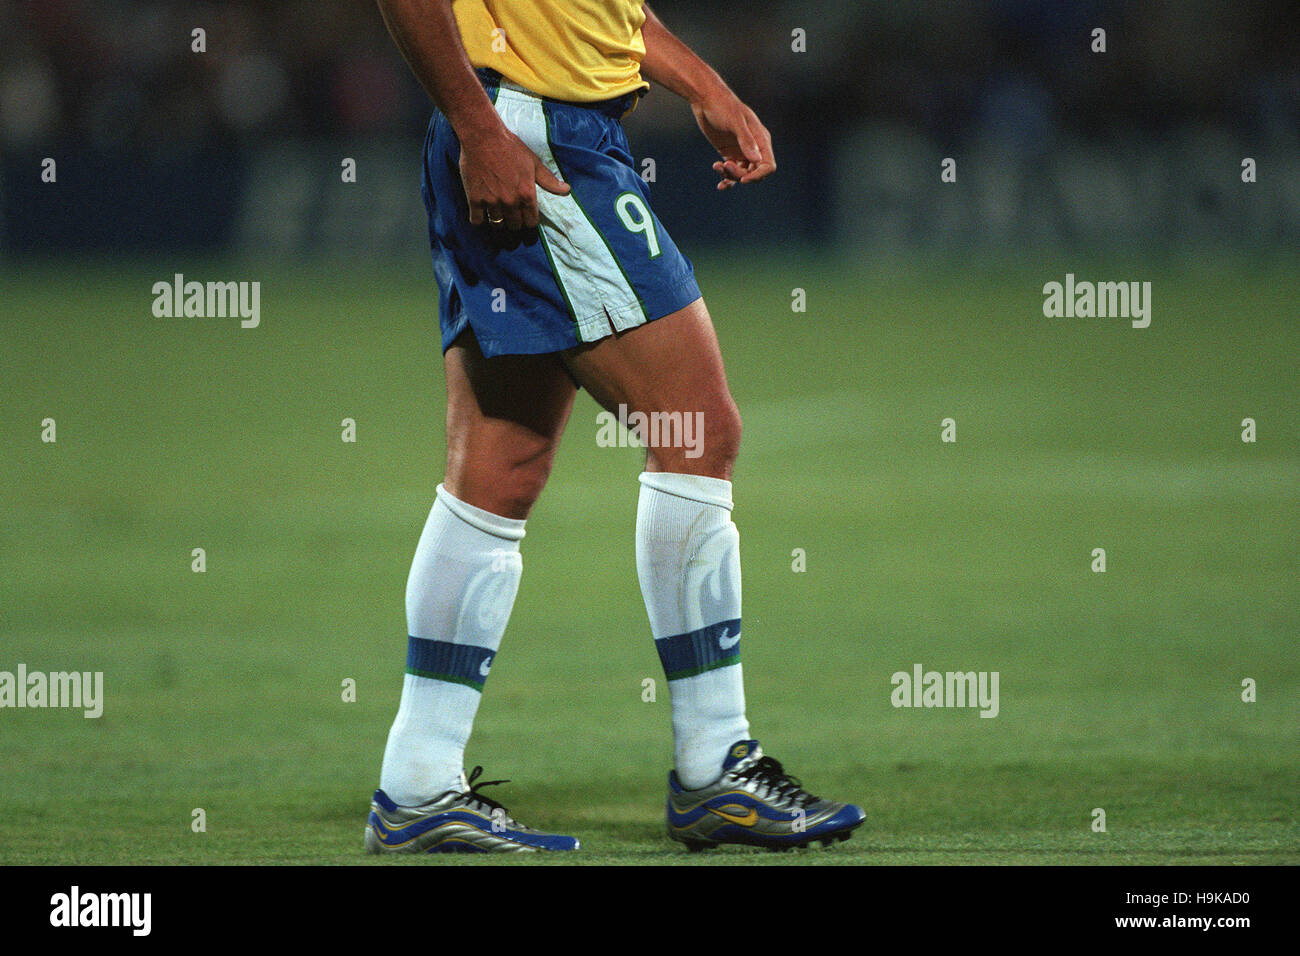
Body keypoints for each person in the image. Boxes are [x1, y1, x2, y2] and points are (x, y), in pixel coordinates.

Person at [365, 0, 864, 853]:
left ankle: (416, 784)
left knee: (500, 465)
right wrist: (478, 126)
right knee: (697, 429)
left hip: (530, 125)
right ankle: (715, 766)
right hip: (531, 135)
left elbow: (604, 13)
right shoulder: (500, 119)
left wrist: (704, 86)